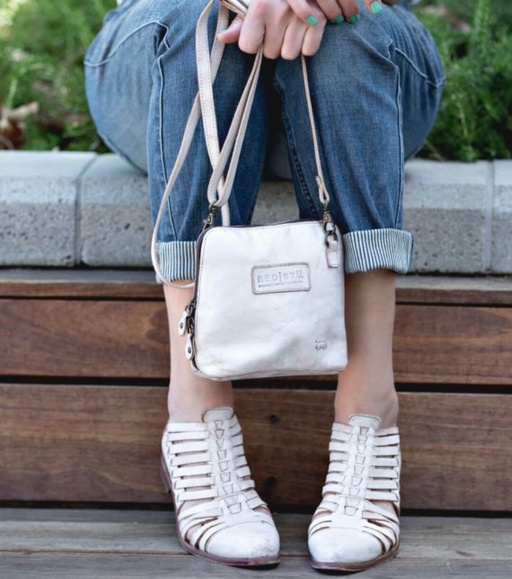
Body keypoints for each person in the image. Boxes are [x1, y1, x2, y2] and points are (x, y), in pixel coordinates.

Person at [85, 0, 444, 571]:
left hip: (360, 69)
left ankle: (369, 412)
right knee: (212, 20)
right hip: (167, 58)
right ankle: (197, 413)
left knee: (344, 28)